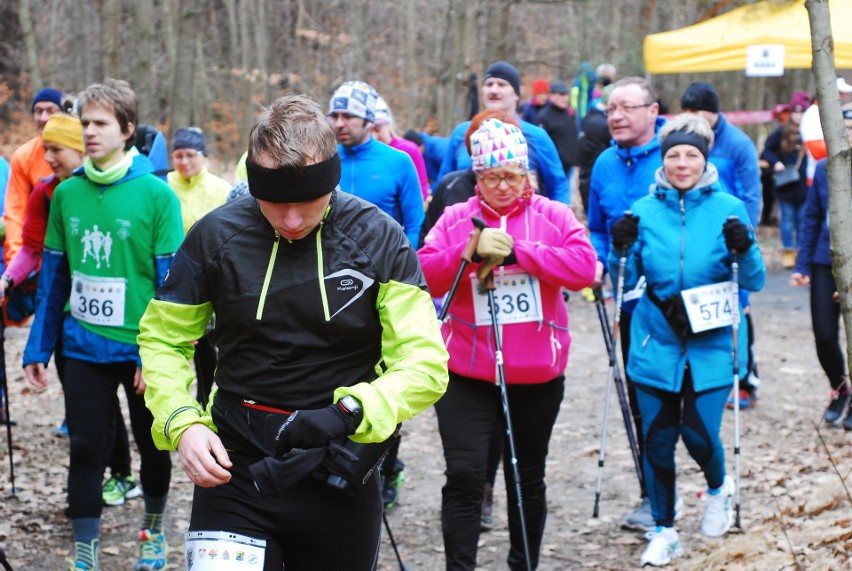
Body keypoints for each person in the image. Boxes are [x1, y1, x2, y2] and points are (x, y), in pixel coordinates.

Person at [137, 93, 448, 571]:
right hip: (233, 467)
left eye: (308, 202)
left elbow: (424, 363)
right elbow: (164, 339)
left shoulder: (376, 237)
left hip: (338, 466)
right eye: (275, 204)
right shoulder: (215, 235)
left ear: (332, 179)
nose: (293, 219)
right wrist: (183, 423)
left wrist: (352, 410)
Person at [419, 118, 597, 570]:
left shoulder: (553, 215)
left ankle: (523, 564)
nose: (502, 186)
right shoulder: (457, 217)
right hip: (466, 372)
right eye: (491, 177)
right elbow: (421, 274)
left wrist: (520, 253)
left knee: (525, 476)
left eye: (511, 176)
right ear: (476, 177)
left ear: (526, 175)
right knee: (464, 475)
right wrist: (467, 253)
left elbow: (584, 269)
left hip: (536, 375)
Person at [22, 79, 182, 571]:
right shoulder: (66, 193)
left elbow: (172, 288)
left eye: (100, 124)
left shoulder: (158, 195)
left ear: (128, 130)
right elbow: (54, 278)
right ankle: (85, 554)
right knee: (86, 445)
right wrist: (37, 348)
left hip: (139, 351)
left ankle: (153, 531)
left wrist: (159, 355)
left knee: (152, 443)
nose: (88, 132)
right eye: (85, 123)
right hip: (83, 346)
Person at [608, 114, 765, 566]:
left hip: (711, 344)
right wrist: (620, 248)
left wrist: (746, 246)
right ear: (663, 158)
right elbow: (625, 277)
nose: (682, 163)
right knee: (657, 441)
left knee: (698, 436)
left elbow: (752, 279)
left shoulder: (729, 208)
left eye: (691, 155)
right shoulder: (643, 210)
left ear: (705, 158)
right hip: (655, 343)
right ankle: (665, 528)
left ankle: (719, 488)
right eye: (674, 154)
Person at [587, 76, 665, 531]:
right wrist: (598, 260)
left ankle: (711, 481)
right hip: (627, 300)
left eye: (626, 108)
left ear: (652, 111)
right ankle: (650, 495)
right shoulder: (603, 164)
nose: (615, 116)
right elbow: (597, 225)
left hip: (676, 298)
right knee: (639, 398)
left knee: (683, 404)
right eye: (610, 108)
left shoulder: (676, 155)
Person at [681, 81, 763, 409]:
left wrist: (746, 237)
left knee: (739, 309)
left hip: (732, 239)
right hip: (697, 238)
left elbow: (753, 194)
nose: (692, 119)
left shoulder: (739, 144)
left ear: (713, 112)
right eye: (686, 113)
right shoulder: (688, 141)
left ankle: (745, 378)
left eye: (697, 112)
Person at [790, 103, 852, 431]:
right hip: (824, 263)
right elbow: (811, 218)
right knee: (825, 336)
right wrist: (802, 265)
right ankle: (841, 389)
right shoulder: (825, 167)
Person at [437, 61, 570, 204]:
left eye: (501, 84)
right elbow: (444, 183)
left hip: (520, 222)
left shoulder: (537, 136)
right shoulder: (463, 132)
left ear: (517, 93)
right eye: (489, 84)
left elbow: (558, 186)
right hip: (466, 222)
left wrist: (555, 220)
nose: (493, 90)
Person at [166, 127, 231, 407]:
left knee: (209, 345)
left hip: (211, 274)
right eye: (178, 156)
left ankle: (207, 399)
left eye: (190, 155)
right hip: (174, 272)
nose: (184, 162)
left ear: (203, 156)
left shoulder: (220, 189)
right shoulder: (165, 185)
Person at [328, 80, 424, 246]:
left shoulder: (399, 161)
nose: (339, 124)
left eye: (348, 116)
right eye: (335, 116)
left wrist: (405, 266)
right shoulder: (326, 159)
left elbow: (414, 225)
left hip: (383, 266)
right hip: (333, 266)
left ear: (368, 120)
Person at [4, 88, 65, 269]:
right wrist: (15, 260)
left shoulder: (81, 151)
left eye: (51, 111)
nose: (43, 118)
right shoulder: (23, 156)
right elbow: (15, 213)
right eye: (38, 111)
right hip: (31, 254)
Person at [760, 119, 807, 268]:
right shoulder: (781, 132)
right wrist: (776, 163)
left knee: (802, 220)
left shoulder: (808, 129)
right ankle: (788, 252)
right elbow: (766, 151)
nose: (799, 115)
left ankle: (801, 252)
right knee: (787, 220)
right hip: (785, 184)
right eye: (796, 112)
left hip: (803, 184)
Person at [372, 96, 431, 203]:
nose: (374, 135)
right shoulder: (360, 154)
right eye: (369, 131)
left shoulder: (409, 150)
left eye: (377, 128)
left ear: (388, 124)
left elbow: (422, 187)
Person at [536, 80, 578, 181]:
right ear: (552, 96)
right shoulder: (544, 116)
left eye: (566, 94)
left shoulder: (569, 113)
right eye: (561, 94)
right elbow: (541, 146)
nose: (565, 98)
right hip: (553, 167)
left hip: (569, 166)